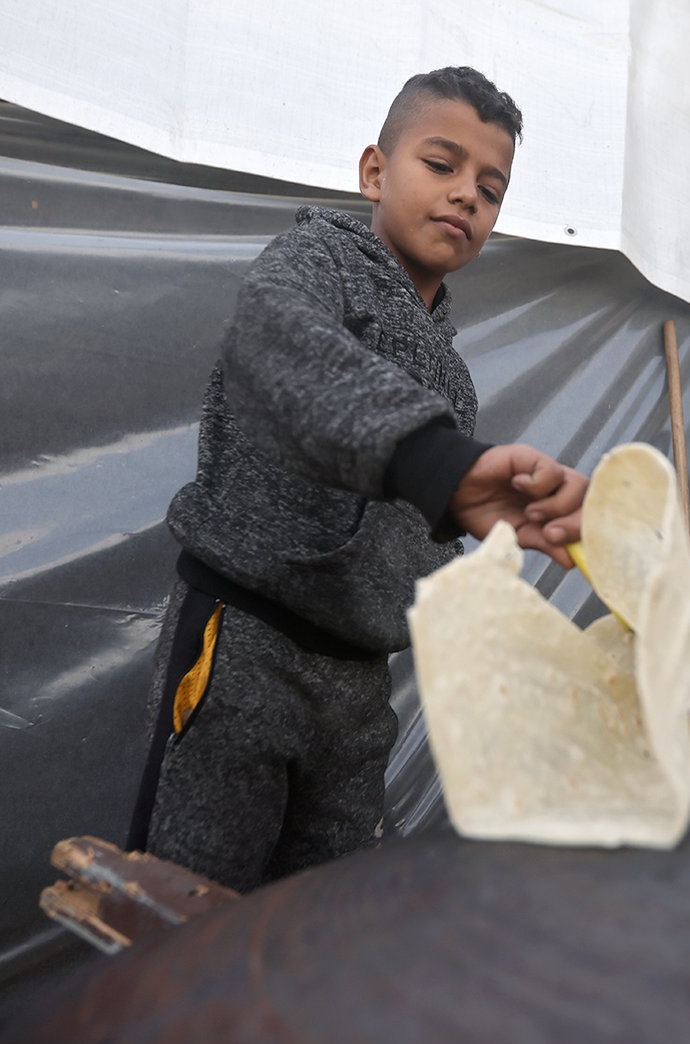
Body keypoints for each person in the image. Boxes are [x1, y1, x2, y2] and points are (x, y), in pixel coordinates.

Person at [127, 67, 588, 893]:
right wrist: (438, 462)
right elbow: (275, 346)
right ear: (375, 171)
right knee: (180, 920)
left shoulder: (451, 375)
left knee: (319, 930)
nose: (466, 197)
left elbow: (411, 538)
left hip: (358, 690)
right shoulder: (315, 263)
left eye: (491, 186)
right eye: (441, 165)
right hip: (243, 648)